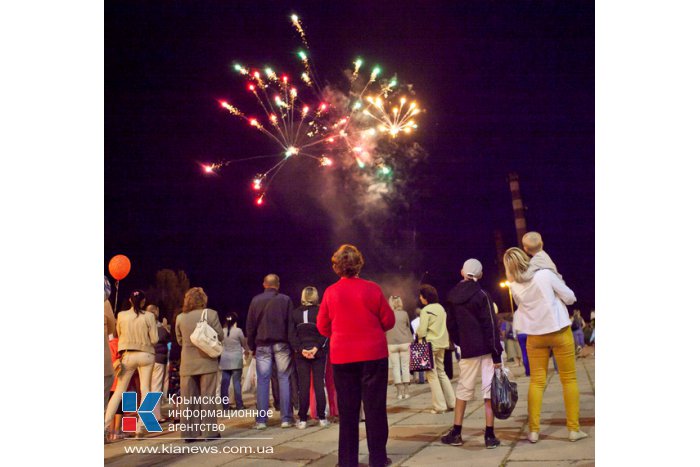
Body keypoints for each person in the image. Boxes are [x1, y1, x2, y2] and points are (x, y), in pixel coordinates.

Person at [317, 244, 395, 467]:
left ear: (337, 267)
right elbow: (388, 320)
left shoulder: (331, 292)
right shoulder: (372, 289)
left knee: (348, 411)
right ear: (359, 264)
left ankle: (348, 461)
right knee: (375, 408)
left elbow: (322, 326)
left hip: (343, 357)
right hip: (373, 355)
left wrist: (341, 333)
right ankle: (378, 458)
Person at [503, 247, 588, 443]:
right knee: (569, 380)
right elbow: (570, 297)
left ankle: (533, 431)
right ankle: (573, 429)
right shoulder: (543, 275)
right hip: (558, 330)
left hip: (535, 335)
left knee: (537, 382)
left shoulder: (513, 286)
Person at [442, 259, 503, 449]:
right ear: (480, 275)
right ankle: (490, 435)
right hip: (486, 349)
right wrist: (496, 354)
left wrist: (462, 343)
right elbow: (490, 325)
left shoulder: (452, 296)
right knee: (488, 391)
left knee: (463, 389)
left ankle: (457, 432)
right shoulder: (482, 294)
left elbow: (450, 325)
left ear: (462, 272)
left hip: (467, 349)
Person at [104, 290, 159, 437]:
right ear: (143, 302)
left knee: (118, 393)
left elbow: (119, 334)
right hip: (146, 354)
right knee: (145, 389)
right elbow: (154, 339)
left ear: (129, 300)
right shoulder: (149, 316)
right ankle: (140, 426)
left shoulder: (121, 316)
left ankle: (104, 426)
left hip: (127, 355)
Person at [246, 274, 295, 429]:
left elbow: (250, 326)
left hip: (262, 345)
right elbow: (290, 325)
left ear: (264, 284)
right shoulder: (286, 300)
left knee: (263, 381)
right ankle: (286, 418)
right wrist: (293, 345)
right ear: (278, 285)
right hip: (281, 344)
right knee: (284, 379)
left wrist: (251, 346)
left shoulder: (255, 300)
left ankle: (261, 420)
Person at [175, 287, 224, 442]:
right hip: (207, 361)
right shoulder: (211, 314)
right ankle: (210, 433)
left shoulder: (180, 317)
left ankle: (189, 434)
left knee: (188, 399)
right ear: (203, 299)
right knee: (208, 397)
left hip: (187, 363)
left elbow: (179, 340)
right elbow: (220, 336)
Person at [290, 286, 330, 429]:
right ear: (315, 296)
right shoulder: (320, 312)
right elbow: (326, 332)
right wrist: (316, 348)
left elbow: (291, 335)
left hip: (301, 353)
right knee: (319, 383)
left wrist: (301, 349)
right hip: (318, 352)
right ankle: (322, 418)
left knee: (304, 386)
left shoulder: (295, 313)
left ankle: (302, 419)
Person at [416, 284, 455, 413]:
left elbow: (422, 331)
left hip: (430, 344)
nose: (420, 298)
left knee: (431, 375)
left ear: (425, 297)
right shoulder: (441, 308)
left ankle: (439, 406)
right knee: (442, 372)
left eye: (421, 296)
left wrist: (417, 332)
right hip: (442, 343)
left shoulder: (425, 310)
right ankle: (452, 402)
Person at [385, 296, 413, 400]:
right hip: (405, 341)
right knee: (405, 367)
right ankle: (407, 391)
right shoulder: (404, 313)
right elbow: (408, 327)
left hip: (391, 343)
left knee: (396, 368)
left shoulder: (388, 314)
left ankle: (399, 392)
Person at [220, 312, 248, 411]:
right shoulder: (238, 331)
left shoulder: (221, 331)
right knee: (236, 383)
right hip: (236, 359)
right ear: (235, 321)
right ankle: (239, 405)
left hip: (224, 360)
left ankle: (225, 406)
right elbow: (244, 344)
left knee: (224, 384)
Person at [146, 304, 169, 423]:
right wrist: (165, 327)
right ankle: (156, 416)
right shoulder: (158, 326)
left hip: (148, 358)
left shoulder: (143, 323)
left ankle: (150, 414)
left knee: (148, 387)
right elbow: (164, 337)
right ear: (156, 312)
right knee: (156, 387)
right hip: (158, 359)